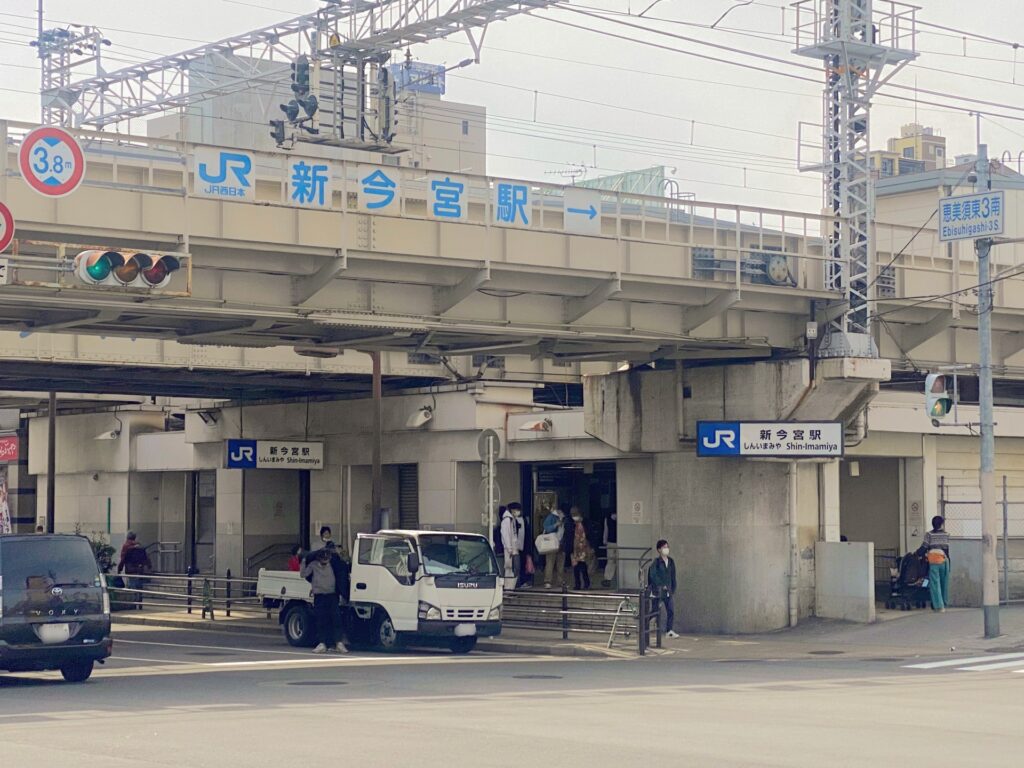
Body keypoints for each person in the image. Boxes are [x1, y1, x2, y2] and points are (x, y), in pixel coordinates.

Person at [301, 541, 349, 654]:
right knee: (321, 619)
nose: (325, 561)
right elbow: (303, 574)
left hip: (332, 595)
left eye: (327, 558)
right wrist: (303, 561)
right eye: (323, 558)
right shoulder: (313, 565)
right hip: (319, 596)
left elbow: (342, 573)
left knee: (336, 619)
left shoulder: (334, 564)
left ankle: (338, 642)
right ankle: (322, 643)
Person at [918, 515, 951, 613]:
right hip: (944, 561)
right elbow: (947, 550)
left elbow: (924, 547)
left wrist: (916, 553)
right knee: (944, 583)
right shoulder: (946, 534)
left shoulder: (929, 534)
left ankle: (939, 606)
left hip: (933, 562)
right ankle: (944, 602)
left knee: (935, 584)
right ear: (941, 524)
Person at [648, 539, 679, 638]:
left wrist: (673, 587)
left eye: (667, 547)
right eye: (664, 547)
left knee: (671, 611)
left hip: (668, 591)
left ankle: (669, 630)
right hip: (658, 591)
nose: (666, 549)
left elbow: (673, 575)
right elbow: (653, 575)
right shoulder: (656, 562)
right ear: (659, 550)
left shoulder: (671, 561)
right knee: (654, 610)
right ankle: (644, 625)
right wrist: (661, 584)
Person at [117, 531, 152, 610]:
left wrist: (119, 569)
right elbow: (146, 557)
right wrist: (149, 566)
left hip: (130, 570)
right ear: (134, 537)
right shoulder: (140, 546)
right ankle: (140, 604)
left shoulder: (126, 546)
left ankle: (133, 605)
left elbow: (123, 558)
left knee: (132, 588)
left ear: (127, 537)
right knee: (139, 587)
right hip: (140, 570)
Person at [499, 503, 524, 587]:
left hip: (513, 548)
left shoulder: (512, 519)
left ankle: (511, 589)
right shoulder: (507, 520)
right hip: (510, 550)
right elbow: (506, 535)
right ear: (513, 510)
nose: (518, 512)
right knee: (510, 569)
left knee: (514, 570)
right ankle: (508, 589)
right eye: (517, 510)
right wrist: (509, 549)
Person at [542, 507, 567, 589]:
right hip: (552, 543)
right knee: (550, 562)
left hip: (561, 543)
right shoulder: (551, 517)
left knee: (561, 563)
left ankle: (560, 581)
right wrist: (555, 525)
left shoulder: (564, 518)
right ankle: (548, 581)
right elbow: (546, 528)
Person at [570, 510, 593, 590]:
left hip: (583, 549)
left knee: (583, 567)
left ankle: (586, 583)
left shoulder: (585, 523)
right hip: (575, 550)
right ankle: (578, 584)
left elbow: (589, 535)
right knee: (576, 568)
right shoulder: (571, 525)